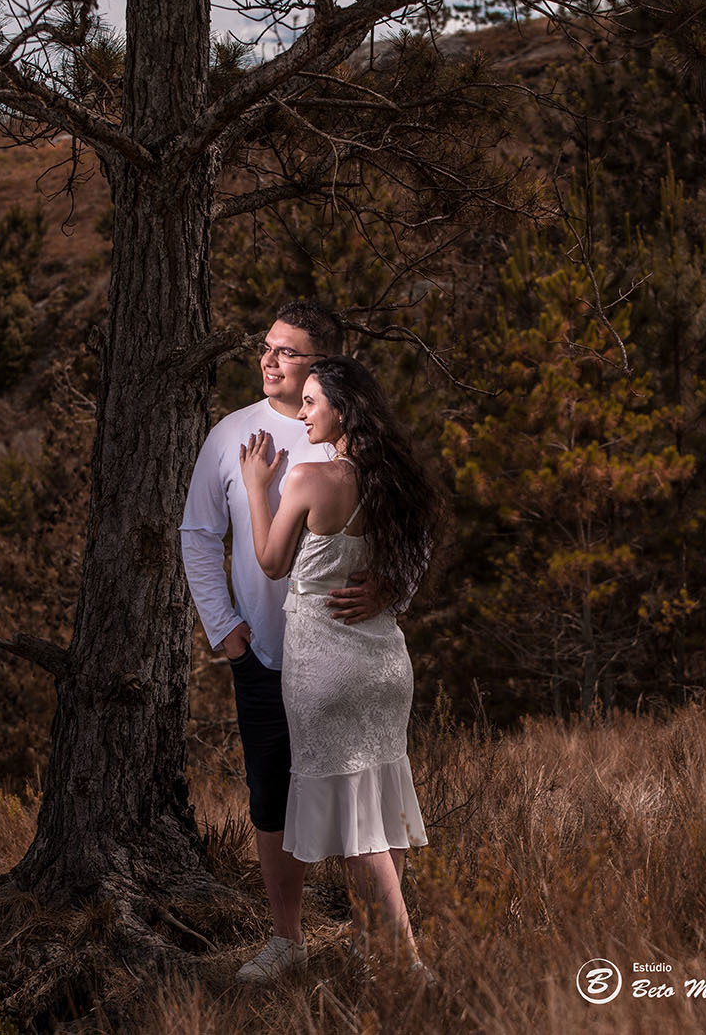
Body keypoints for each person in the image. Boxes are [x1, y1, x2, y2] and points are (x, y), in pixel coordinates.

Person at [179, 300, 387, 984]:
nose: (268, 360)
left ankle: (375, 942)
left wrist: (392, 593)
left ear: (321, 365)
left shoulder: (350, 441)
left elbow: (408, 533)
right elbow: (200, 537)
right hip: (264, 652)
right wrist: (227, 631)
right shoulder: (230, 435)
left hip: (341, 653)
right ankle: (287, 938)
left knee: (358, 795)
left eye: (286, 352)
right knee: (271, 793)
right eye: (266, 347)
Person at [239, 355, 439, 974]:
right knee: (379, 802)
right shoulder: (397, 483)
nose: (302, 413)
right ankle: (378, 948)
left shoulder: (307, 477)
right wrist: (390, 590)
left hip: (326, 664)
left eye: (312, 403)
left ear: (343, 411)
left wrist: (253, 484)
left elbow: (273, 562)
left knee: (359, 828)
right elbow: (419, 553)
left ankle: (405, 966)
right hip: (383, 661)